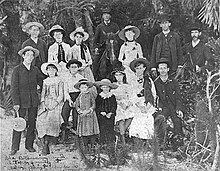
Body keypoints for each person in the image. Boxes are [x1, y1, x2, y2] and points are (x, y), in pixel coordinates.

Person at [10, 46, 43, 155]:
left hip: (33, 101)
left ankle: (29, 145)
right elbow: (14, 88)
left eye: (32, 55)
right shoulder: (17, 70)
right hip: (21, 102)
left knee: (31, 124)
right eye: (27, 54)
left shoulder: (35, 70)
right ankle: (14, 147)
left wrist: (39, 86)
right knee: (19, 124)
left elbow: (41, 81)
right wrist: (16, 103)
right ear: (23, 56)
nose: (30, 57)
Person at [154, 58, 183, 151]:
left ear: (168, 69)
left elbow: (178, 97)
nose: (162, 70)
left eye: (164, 68)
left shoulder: (173, 81)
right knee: (160, 119)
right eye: (160, 68)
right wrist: (158, 108)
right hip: (162, 107)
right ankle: (160, 144)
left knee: (177, 120)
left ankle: (177, 144)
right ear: (158, 70)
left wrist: (179, 109)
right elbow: (154, 97)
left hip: (173, 106)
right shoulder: (155, 82)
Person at [36, 62, 64, 155]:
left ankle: (47, 143)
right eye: (49, 70)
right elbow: (43, 94)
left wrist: (54, 104)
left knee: (51, 118)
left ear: (56, 71)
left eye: (53, 69)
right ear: (46, 72)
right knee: (41, 118)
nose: (51, 71)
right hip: (46, 102)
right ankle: (44, 140)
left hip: (56, 103)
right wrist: (43, 103)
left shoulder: (59, 80)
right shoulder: (45, 81)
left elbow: (61, 95)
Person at [128, 58, 156, 140]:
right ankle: (138, 141)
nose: (139, 70)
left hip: (147, 104)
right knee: (138, 117)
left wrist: (147, 107)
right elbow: (131, 96)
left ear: (144, 68)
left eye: (141, 68)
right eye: (137, 68)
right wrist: (140, 107)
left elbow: (153, 94)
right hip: (137, 105)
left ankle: (147, 141)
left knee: (148, 117)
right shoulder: (132, 81)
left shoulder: (149, 80)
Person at [151, 13, 183, 79]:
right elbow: (153, 52)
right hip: (160, 65)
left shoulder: (175, 36)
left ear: (169, 24)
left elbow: (179, 51)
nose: (164, 25)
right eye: (162, 23)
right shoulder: (157, 37)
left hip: (172, 65)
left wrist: (180, 65)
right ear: (160, 25)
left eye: (166, 23)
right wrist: (153, 67)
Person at [60, 59, 84, 143]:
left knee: (76, 114)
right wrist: (69, 100)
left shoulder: (81, 78)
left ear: (78, 68)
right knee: (64, 113)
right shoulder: (66, 78)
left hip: (78, 97)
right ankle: (64, 134)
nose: (74, 69)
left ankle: (76, 134)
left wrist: (77, 101)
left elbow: (82, 91)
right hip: (69, 97)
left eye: (76, 67)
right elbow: (65, 90)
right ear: (69, 68)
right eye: (72, 67)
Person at [111, 61, 135, 144]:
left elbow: (131, 96)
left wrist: (127, 104)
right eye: (116, 75)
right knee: (121, 118)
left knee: (131, 115)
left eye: (120, 75)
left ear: (123, 75)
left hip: (126, 104)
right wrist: (120, 103)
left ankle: (121, 133)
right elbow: (112, 97)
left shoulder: (127, 86)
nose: (118, 77)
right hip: (117, 104)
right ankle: (123, 139)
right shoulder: (113, 86)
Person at [93, 8, 120, 79]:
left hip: (113, 46)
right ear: (102, 16)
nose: (106, 16)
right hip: (103, 47)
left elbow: (118, 38)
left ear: (110, 16)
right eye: (105, 15)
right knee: (96, 61)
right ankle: (95, 75)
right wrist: (96, 47)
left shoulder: (115, 26)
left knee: (119, 59)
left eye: (108, 14)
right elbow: (95, 39)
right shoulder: (99, 27)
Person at [69, 27, 97, 95]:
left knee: (89, 85)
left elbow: (90, 60)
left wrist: (86, 65)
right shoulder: (72, 49)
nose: (78, 39)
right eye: (77, 37)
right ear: (74, 38)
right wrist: (77, 68)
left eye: (80, 37)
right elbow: (70, 61)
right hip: (78, 70)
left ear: (82, 39)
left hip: (86, 69)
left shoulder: (85, 48)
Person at [74, 79, 100, 152]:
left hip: (90, 115)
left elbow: (94, 104)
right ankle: (85, 147)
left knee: (91, 130)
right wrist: (80, 111)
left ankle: (92, 146)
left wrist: (89, 110)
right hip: (82, 116)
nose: (83, 89)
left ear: (88, 87)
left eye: (85, 87)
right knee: (84, 131)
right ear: (79, 89)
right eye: (82, 88)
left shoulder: (90, 95)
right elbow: (77, 105)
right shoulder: (79, 96)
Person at [95, 79, 118, 144]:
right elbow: (97, 106)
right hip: (102, 115)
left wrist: (111, 113)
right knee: (102, 128)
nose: (105, 89)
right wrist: (101, 112)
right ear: (101, 88)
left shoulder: (112, 96)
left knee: (110, 128)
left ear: (110, 88)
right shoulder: (99, 96)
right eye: (104, 87)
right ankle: (102, 143)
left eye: (107, 87)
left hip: (110, 115)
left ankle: (110, 143)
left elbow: (114, 105)